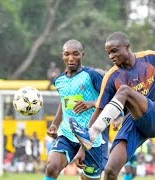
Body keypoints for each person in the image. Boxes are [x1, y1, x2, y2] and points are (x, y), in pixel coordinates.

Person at [69, 31, 155, 179]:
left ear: (127, 47)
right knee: (110, 171)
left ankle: (91, 136)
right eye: (108, 53)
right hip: (132, 123)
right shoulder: (111, 76)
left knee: (125, 91)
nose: (111, 56)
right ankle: (89, 139)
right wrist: (83, 149)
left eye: (114, 51)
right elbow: (99, 111)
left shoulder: (150, 57)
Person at [44, 39, 109, 180]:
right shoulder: (59, 80)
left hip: (91, 137)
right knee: (51, 168)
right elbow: (64, 101)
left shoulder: (92, 75)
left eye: (76, 54)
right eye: (67, 54)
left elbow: (110, 99)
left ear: (82, 55)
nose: (71, 58)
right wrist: (55, 123)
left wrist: (91, 103)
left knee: (89, 178)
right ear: (62, 56)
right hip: (67, 133)